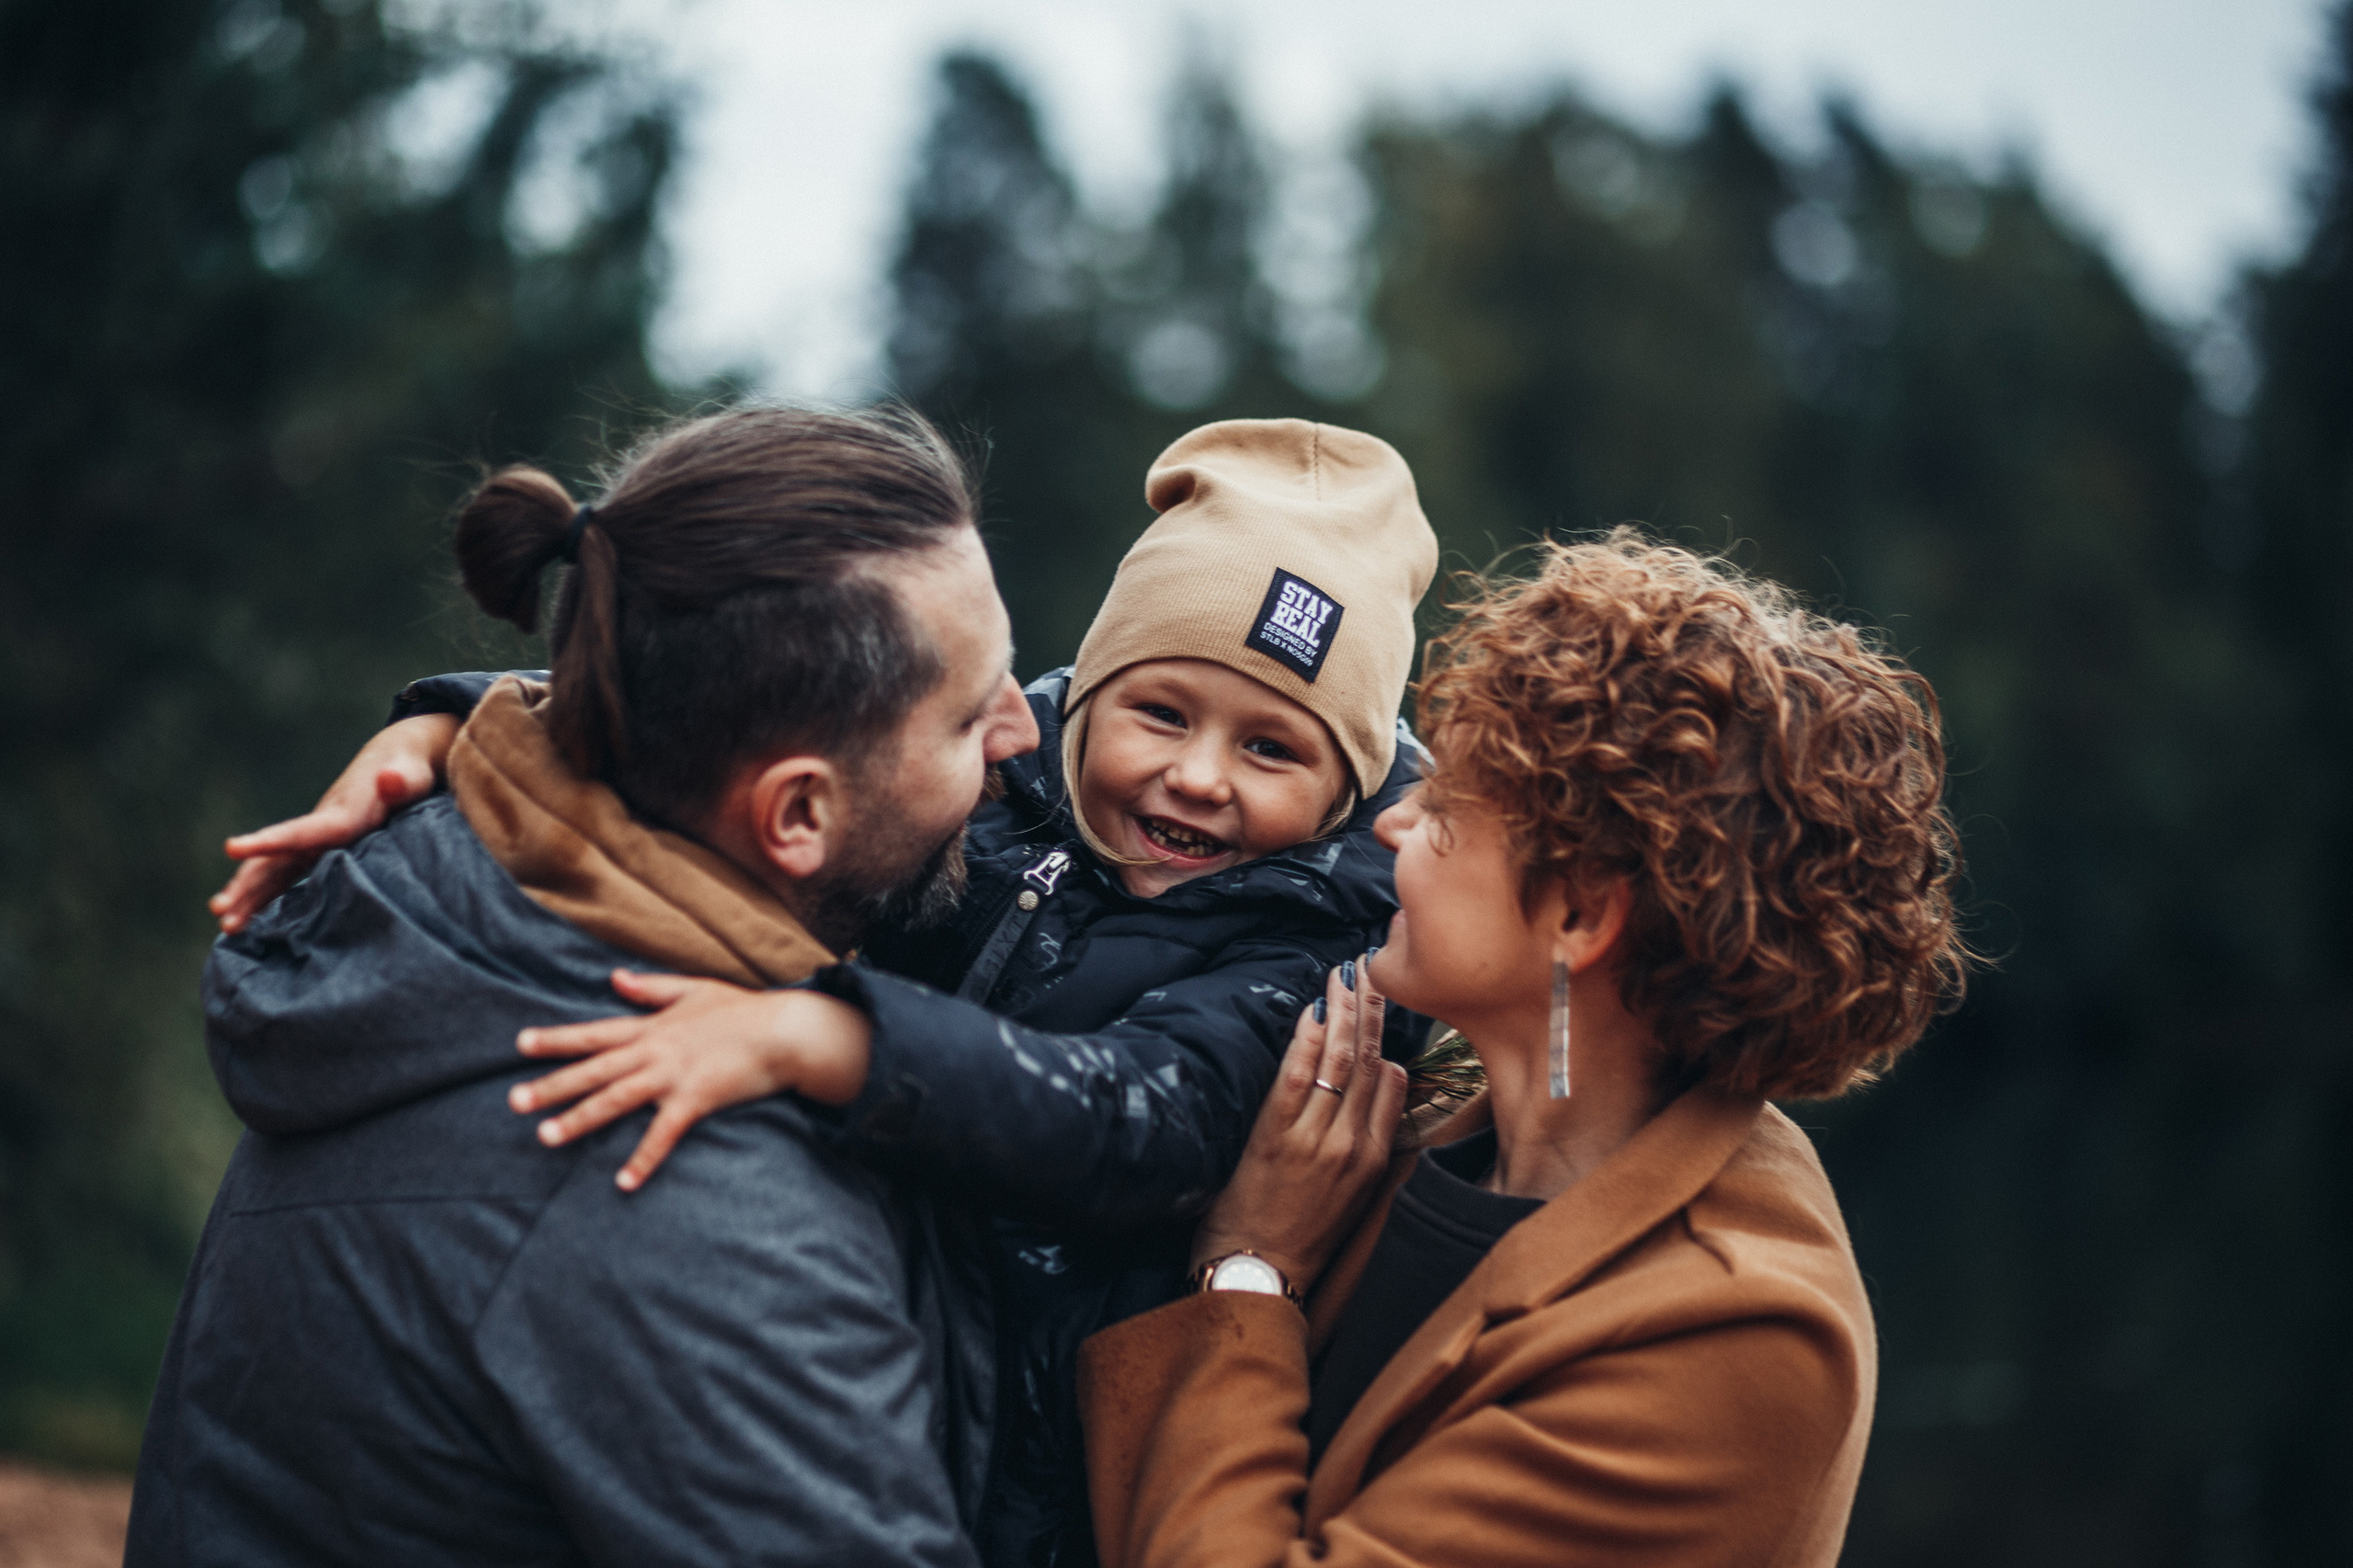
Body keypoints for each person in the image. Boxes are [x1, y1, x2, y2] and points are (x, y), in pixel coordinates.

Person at [203, 418, 1443, 1567]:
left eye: (1274, 747)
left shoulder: (1313, 945)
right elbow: (737, 680)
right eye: (1157, 711)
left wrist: (834, 1034)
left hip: (1048, 1447)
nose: (1197, 776)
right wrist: (473, 717)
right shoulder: (687, 1205)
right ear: (799, 809)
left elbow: (1142, 1112)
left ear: (1348, 782)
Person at [128, 405, 1039, 1567]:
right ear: (796, 812)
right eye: (970, 714)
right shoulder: (682, 1193)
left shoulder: (449, 931)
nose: (1023, 733)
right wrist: (1241, 1299)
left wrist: (454, 715)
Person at [1077, 532, 1972, 1567]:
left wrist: (1250, 1271)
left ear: (1579, 914)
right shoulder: (1408, 1130)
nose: (1393, 825)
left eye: (1447, 805)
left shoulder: (1735, 1330)